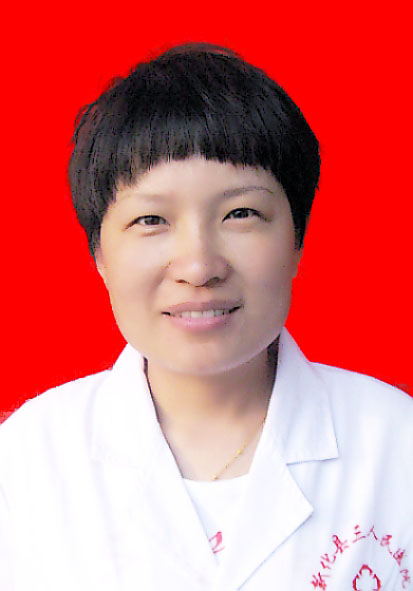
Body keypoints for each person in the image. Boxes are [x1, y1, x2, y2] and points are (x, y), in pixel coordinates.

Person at [0, 42, 412, 591]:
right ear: (99, 254)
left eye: (241, 213)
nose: (198, 266)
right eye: (151, 220)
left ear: (297, 239)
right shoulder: (24, 461)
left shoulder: (397, 444)